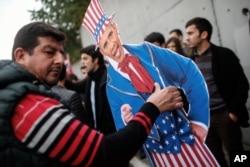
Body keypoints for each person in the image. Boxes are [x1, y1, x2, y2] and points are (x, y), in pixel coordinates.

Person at [0, 21, 184, 167]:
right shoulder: (27, 103)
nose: (59, 60)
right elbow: (105, 154)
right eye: (49, 52)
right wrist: (152, 108)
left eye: (61, 53)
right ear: (21, 56)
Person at [82, 0, 218, 166]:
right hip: (159, 155)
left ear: (116, 28)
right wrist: (129, 121)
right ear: (102, 51)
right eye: (104, 44)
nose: (111, 44)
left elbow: (189, 70)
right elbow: (124, 137)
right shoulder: (110, 87)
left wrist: (199, 119)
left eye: (110, 35)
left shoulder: (148, 51)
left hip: (189, 140)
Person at [185, 17, 250, 167]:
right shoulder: (190, 62)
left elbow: (242, 85)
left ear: (203, 34)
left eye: (190, 33)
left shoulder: (224, 55)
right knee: (214, 159)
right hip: (204, 120)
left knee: (238, 156)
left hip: (225, 116)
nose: (187, 38)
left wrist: (233, 112)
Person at [65, 45, 116, 135]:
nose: (82, 62)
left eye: (85, 59)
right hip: (96, 133)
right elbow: (75, 87)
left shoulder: (109, 78)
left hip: (112, 134)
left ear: (95, 60)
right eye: (81, 59)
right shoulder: (90, 78)